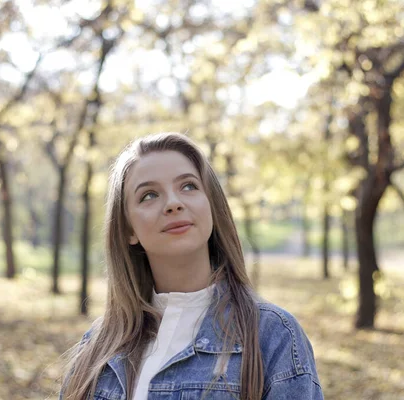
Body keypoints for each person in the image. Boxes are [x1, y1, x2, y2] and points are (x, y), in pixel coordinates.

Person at [60, 132, 323, 400]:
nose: (173, 203)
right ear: (128, 229)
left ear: (211, 205)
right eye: (149, 195)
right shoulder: (98, 347)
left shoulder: (273, 336)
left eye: (188, 186)